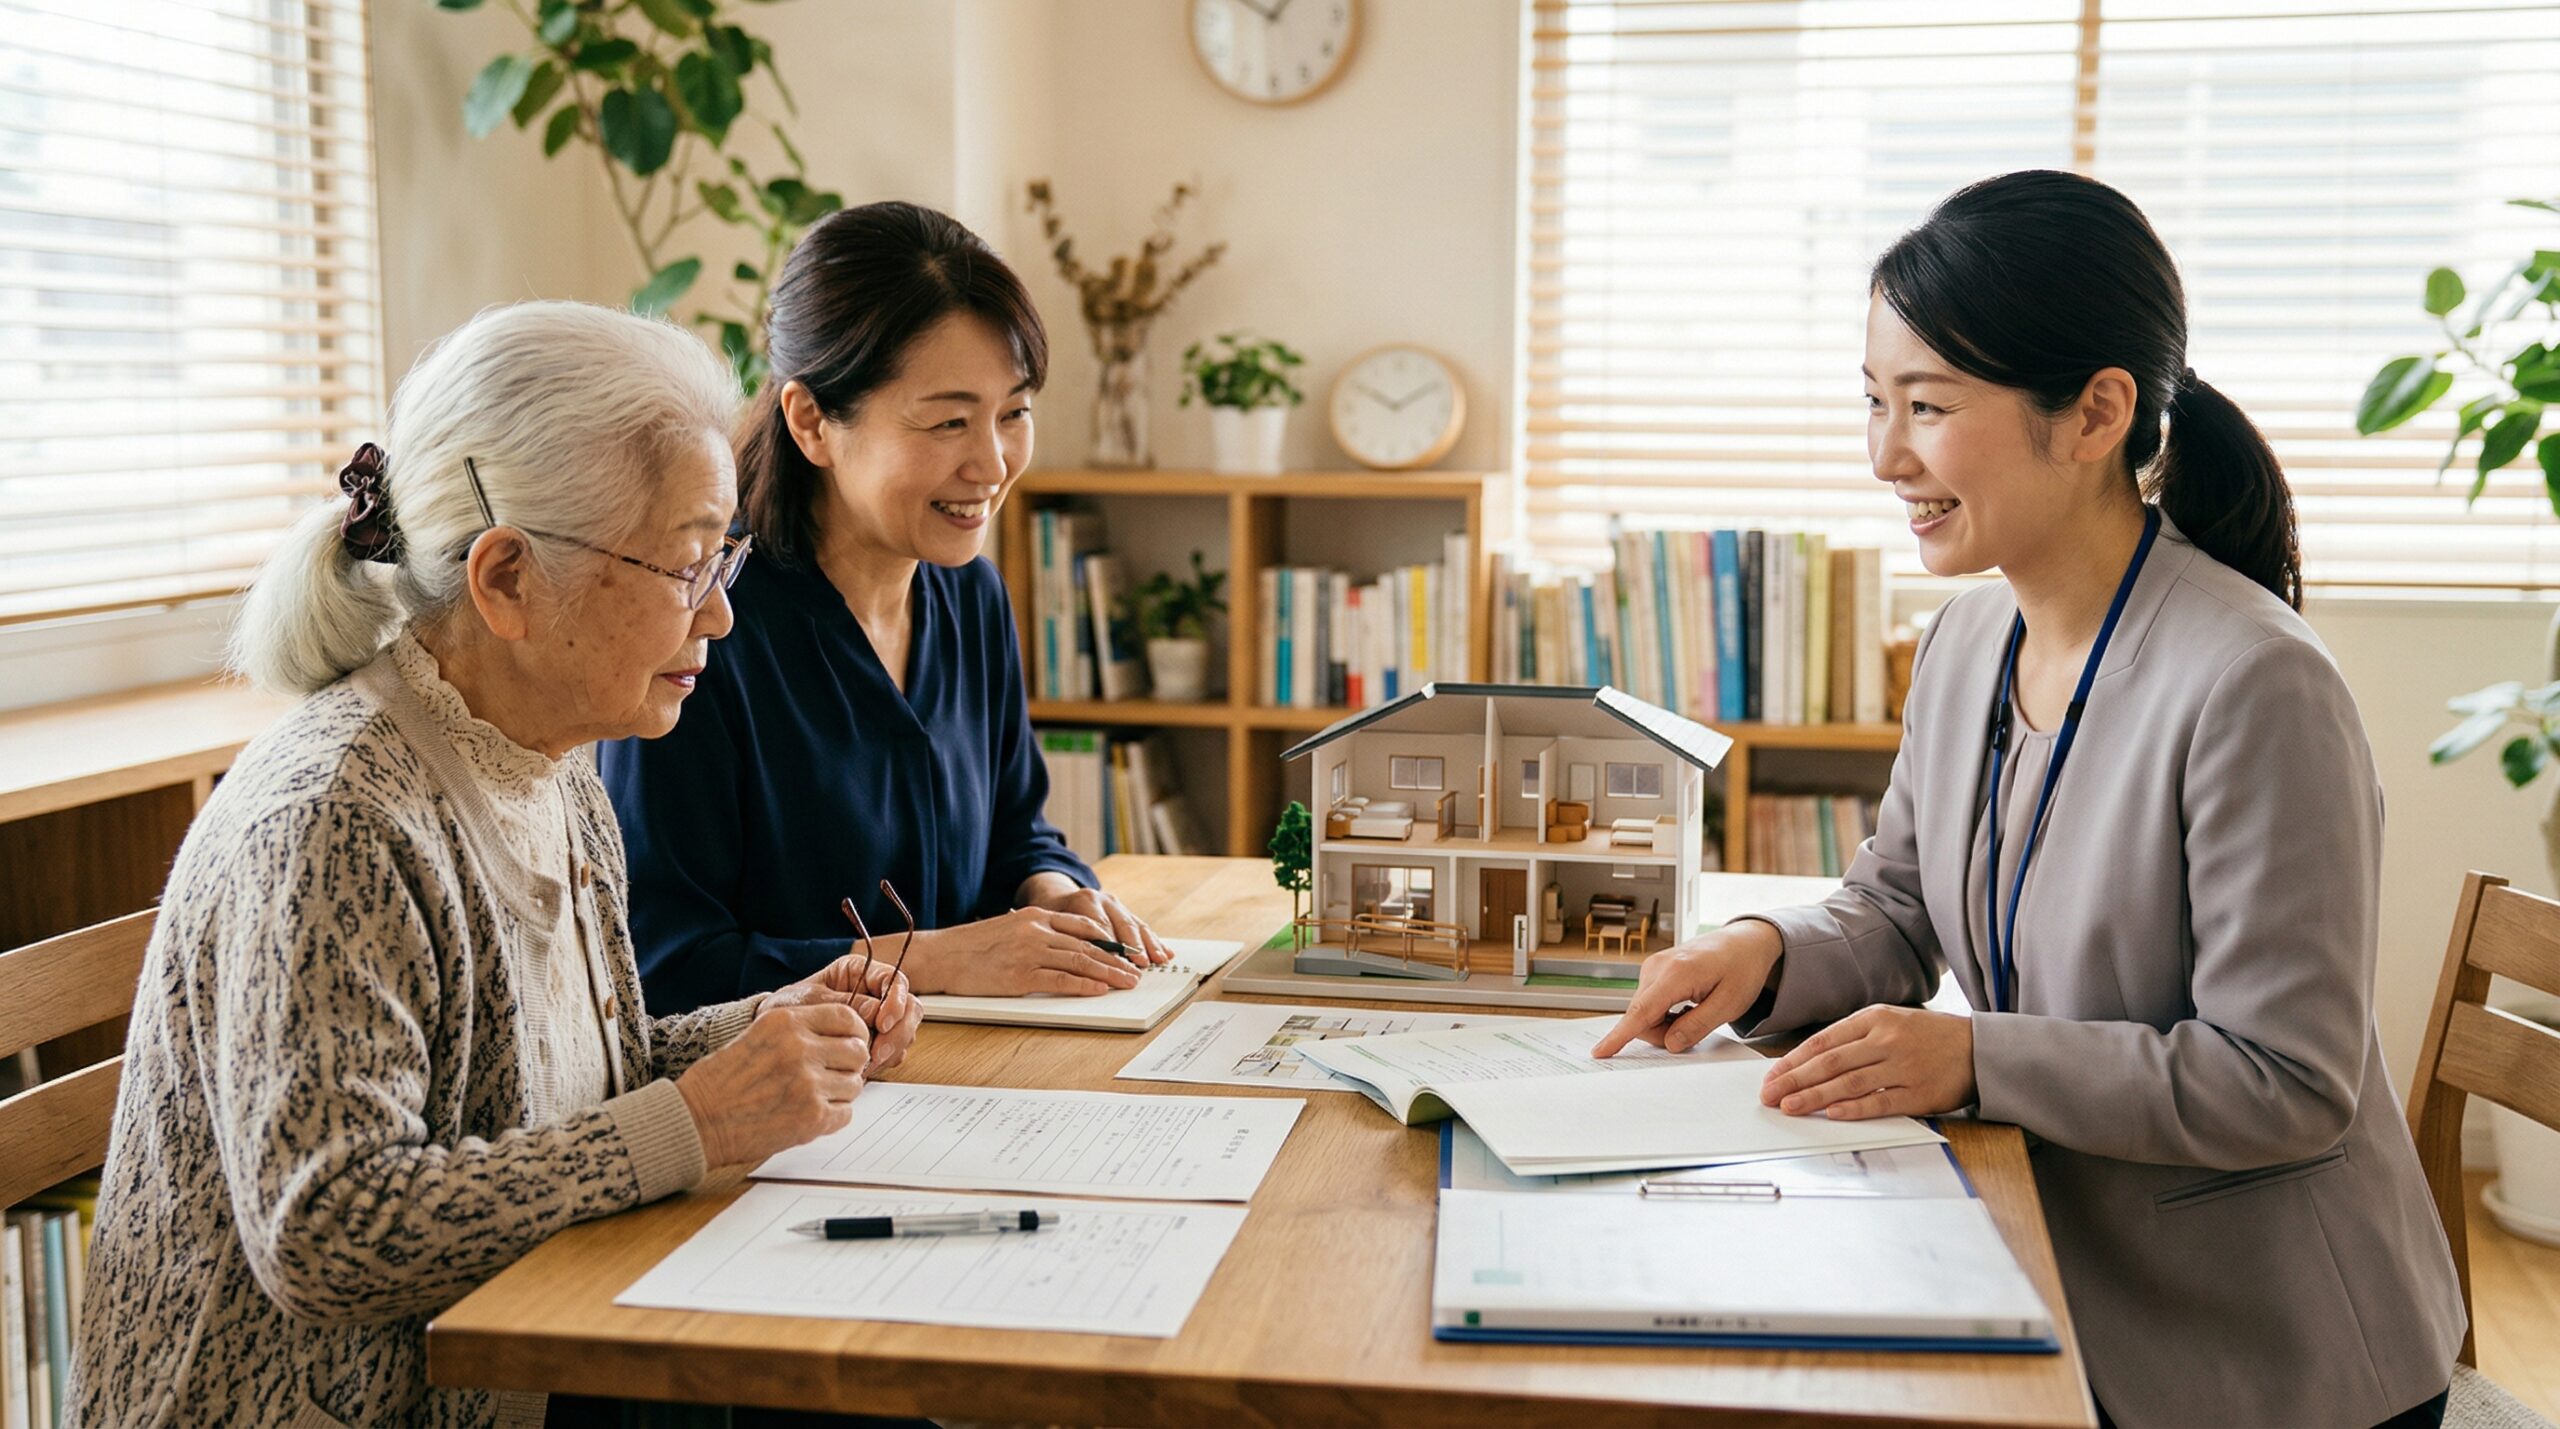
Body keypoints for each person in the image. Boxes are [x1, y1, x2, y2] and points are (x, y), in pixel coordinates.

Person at [1593, 171, 2465, 1429]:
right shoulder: (1964, 641)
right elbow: (1897, 907)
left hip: (2258, 1356)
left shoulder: (2254, 683)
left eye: (1929, 405)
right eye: (1874, 400)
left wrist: (1969, 1055)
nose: (1885, 455)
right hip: (2035, 1258)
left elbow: (2283, 1078)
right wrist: (1761, 950)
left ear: (2096, 412)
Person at [66, 301, 921, 1427]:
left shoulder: (553, 764)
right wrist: (698, 1121)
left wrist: (769, 1029)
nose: (719, 614)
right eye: (685, 564)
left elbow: (564, 1082)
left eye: (725, 556)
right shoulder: (335, 819)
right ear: (507, 577)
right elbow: (330, 1232)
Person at [602, 202, 1168, 1016]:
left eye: (1013, 413)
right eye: (948, 422)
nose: (993, 463)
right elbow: (667, 962)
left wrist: (1053, 887)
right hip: (796, 1088)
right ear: (811, 422)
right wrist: (932, 958)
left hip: (967, 1065)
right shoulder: (701, 626)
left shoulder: (972, 595)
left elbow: (1018, 831)